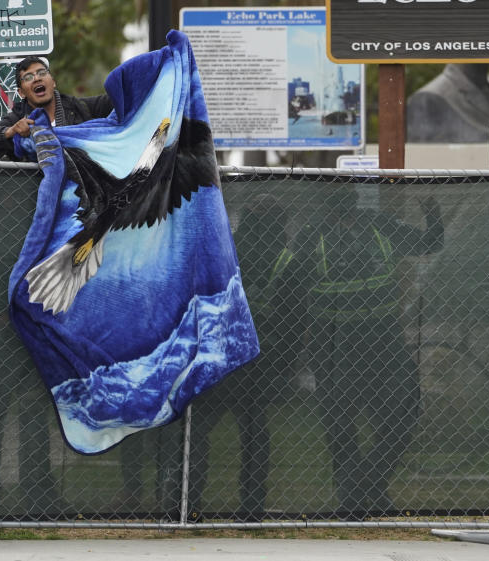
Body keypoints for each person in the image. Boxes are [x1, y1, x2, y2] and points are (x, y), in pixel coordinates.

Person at [283, 188, 443, 519]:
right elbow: (292, 292)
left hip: (382, 342)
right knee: (341, 427)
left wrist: (432, 212)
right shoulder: (313, 236)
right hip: (333, 346)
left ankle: (368, 484)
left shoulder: (377, 226)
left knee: (403, 411)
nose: (346, 203)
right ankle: (353, 503)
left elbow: (430, 244)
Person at [187, 194, 300, 522]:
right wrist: (287, 365)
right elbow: (293, 319)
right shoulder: (284, 259)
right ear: (278, 224)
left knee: (200, 429)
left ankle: (186, 502)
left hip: (219, 354)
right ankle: (251, 506)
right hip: (258, 361)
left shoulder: (226, 250)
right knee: (253, 432)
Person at [0, 56, 114, 160]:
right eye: (28, 77)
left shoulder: (80, 107)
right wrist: (10, 132)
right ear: (21, 92)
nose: (37, 78)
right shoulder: (18, 119)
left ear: (53, 82)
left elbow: (121, 98)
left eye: (42, 73)